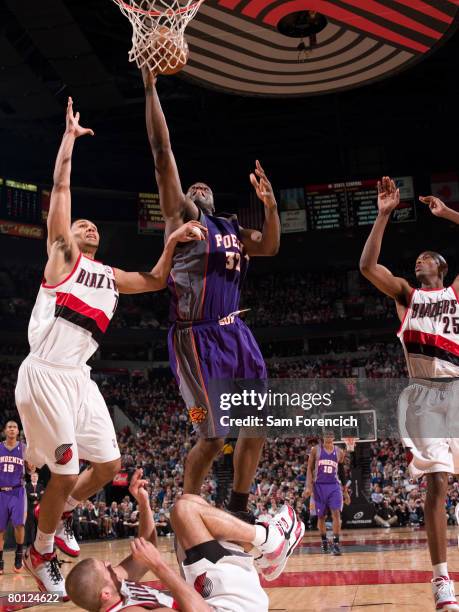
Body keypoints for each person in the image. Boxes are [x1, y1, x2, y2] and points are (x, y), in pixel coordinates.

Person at [15, 97, 207, 597]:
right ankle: (41, 549)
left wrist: (172, 241)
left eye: (93, 226)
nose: (88, 226)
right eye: (82, 225)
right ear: (68, 238)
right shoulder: (62, 262)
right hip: (45, 374)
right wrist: (68, 141)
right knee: (64, 468)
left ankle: (61, 517)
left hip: (79, 378)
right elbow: (60, 189)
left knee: (108, 465)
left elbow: (157, 279)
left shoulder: (111, 277)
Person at [142, 69, 281, 518]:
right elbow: (163, 154)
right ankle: (188, 513)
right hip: (194, 340)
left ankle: (239, 508)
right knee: (211, 434)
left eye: (205, 187)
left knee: (258, 422)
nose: (198, 187)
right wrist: (150, 88)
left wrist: (272, 208)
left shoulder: (232, 228)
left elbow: (272, 245)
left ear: (215, 199)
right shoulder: (183, 217)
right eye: (192, 187)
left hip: (236, 334)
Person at [360, 177, 459, 611]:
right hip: (424, 397)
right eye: (416, 258)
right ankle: (442, 580)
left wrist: (448, 214)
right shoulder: (407, 294)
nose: (419, 259)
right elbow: (367, 267)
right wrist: (383, 215)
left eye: (427, 257)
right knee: (437, 484)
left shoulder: (455, 294)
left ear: (441, 266)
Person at [65, 469, 304, 611]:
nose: (110, 564)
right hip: (231, 607)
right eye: (106, 569)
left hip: (211, 598)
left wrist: (144, 504)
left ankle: (265, 552)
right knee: (183, 511)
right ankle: (268, 541)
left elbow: (145, 550)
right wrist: (158, 565)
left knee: (189, 504)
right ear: (105, 594)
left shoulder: (111, 590)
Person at [305, 431, 346, 555]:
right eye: (326, 434)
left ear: (334, 437)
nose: (328, 436)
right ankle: (324, 541)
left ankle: (336, 544)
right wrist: (308, 486)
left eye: (330, 434)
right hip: (319, 486)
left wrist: (345, 491)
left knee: (336, 514)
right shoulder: (315, 450)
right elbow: (309, 469)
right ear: (322, 436)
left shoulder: (340, 452)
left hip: (334, 486)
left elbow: (342, 473)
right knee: (321, 516)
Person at [0, 421, 32, 574]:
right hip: (1, 492)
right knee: (0, 530)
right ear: (5, 431)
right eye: (9, 427)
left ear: (18, 431)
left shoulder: (24, 448)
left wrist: (32, 468)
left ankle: (18, 556)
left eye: (14, 427)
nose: (12, 429)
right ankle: (0, 560)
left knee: (19, 525)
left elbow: (31, 470)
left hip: (17, 491)